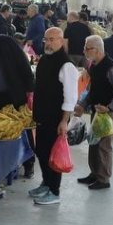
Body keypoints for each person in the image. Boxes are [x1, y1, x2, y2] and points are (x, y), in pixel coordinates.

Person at [28, 27, 79, 206]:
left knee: (53, 155)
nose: (48, 43)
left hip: (56, 119)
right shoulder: (44, 60)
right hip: (42, 115)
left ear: (61, 40)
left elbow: (71, 97)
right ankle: (46, 183)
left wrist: (64, 121)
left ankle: (54, 191)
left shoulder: (67, 65)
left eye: (52, 39)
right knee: (41, 152)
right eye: (46, 39)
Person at [75, 35, 113, 191]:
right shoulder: (93, 65)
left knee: (104, 146)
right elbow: (93, 90)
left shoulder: (111, 67)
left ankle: (104, 179)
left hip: (108, 114)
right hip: (97, 111)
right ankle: (94, 173)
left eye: (87, 48)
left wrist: (109, 107)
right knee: (93, 142)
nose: (84, 51)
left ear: (97, 50)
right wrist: (83, 105)